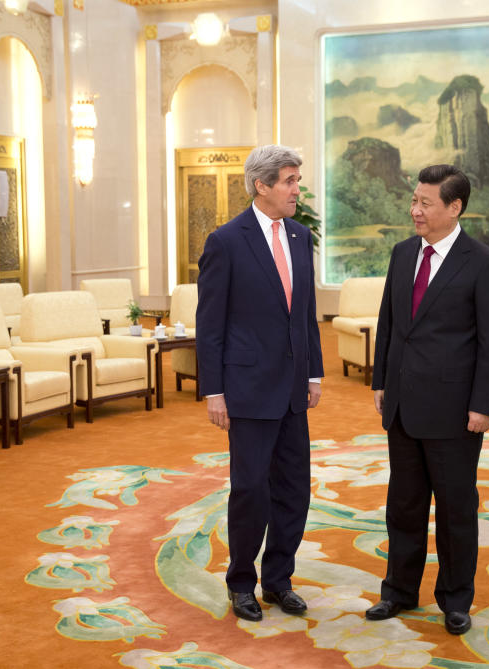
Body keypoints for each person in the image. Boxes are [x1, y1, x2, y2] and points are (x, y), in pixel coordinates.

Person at [365, 164, 489, 635]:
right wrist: (381, 382)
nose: (415, 211)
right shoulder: (403, 253)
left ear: (455, 207)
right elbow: (390, 322)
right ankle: (399, 592)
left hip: (454, 412)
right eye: (414, 201)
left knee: (454, 510)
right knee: (403, 505)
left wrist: (483, 405)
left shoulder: (484, 262)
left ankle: (454, 599)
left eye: (426, 203)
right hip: (403, 405)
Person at [196, 144, 324, 622]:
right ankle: (241, 583)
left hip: (293, 390)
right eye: (289, 181)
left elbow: (305, 314)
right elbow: (210, 325)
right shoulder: (226, 241)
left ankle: (278, 581)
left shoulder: (298, 236)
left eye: (296, 179)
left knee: (294, 490)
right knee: (250, 491)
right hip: (247, 392)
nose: (297, 189)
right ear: (261, 186)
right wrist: (215, 391)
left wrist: (313, 373)